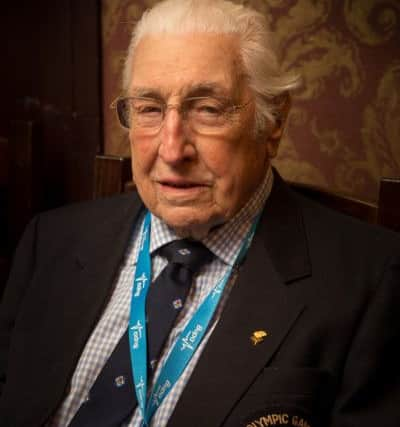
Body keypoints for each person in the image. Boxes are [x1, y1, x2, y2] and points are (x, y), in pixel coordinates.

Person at [1, 0, 399, 426]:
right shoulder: (51, 240)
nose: (172, 151)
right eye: (149, 109)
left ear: (274, 122)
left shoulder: (373, 281)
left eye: (207, 109)